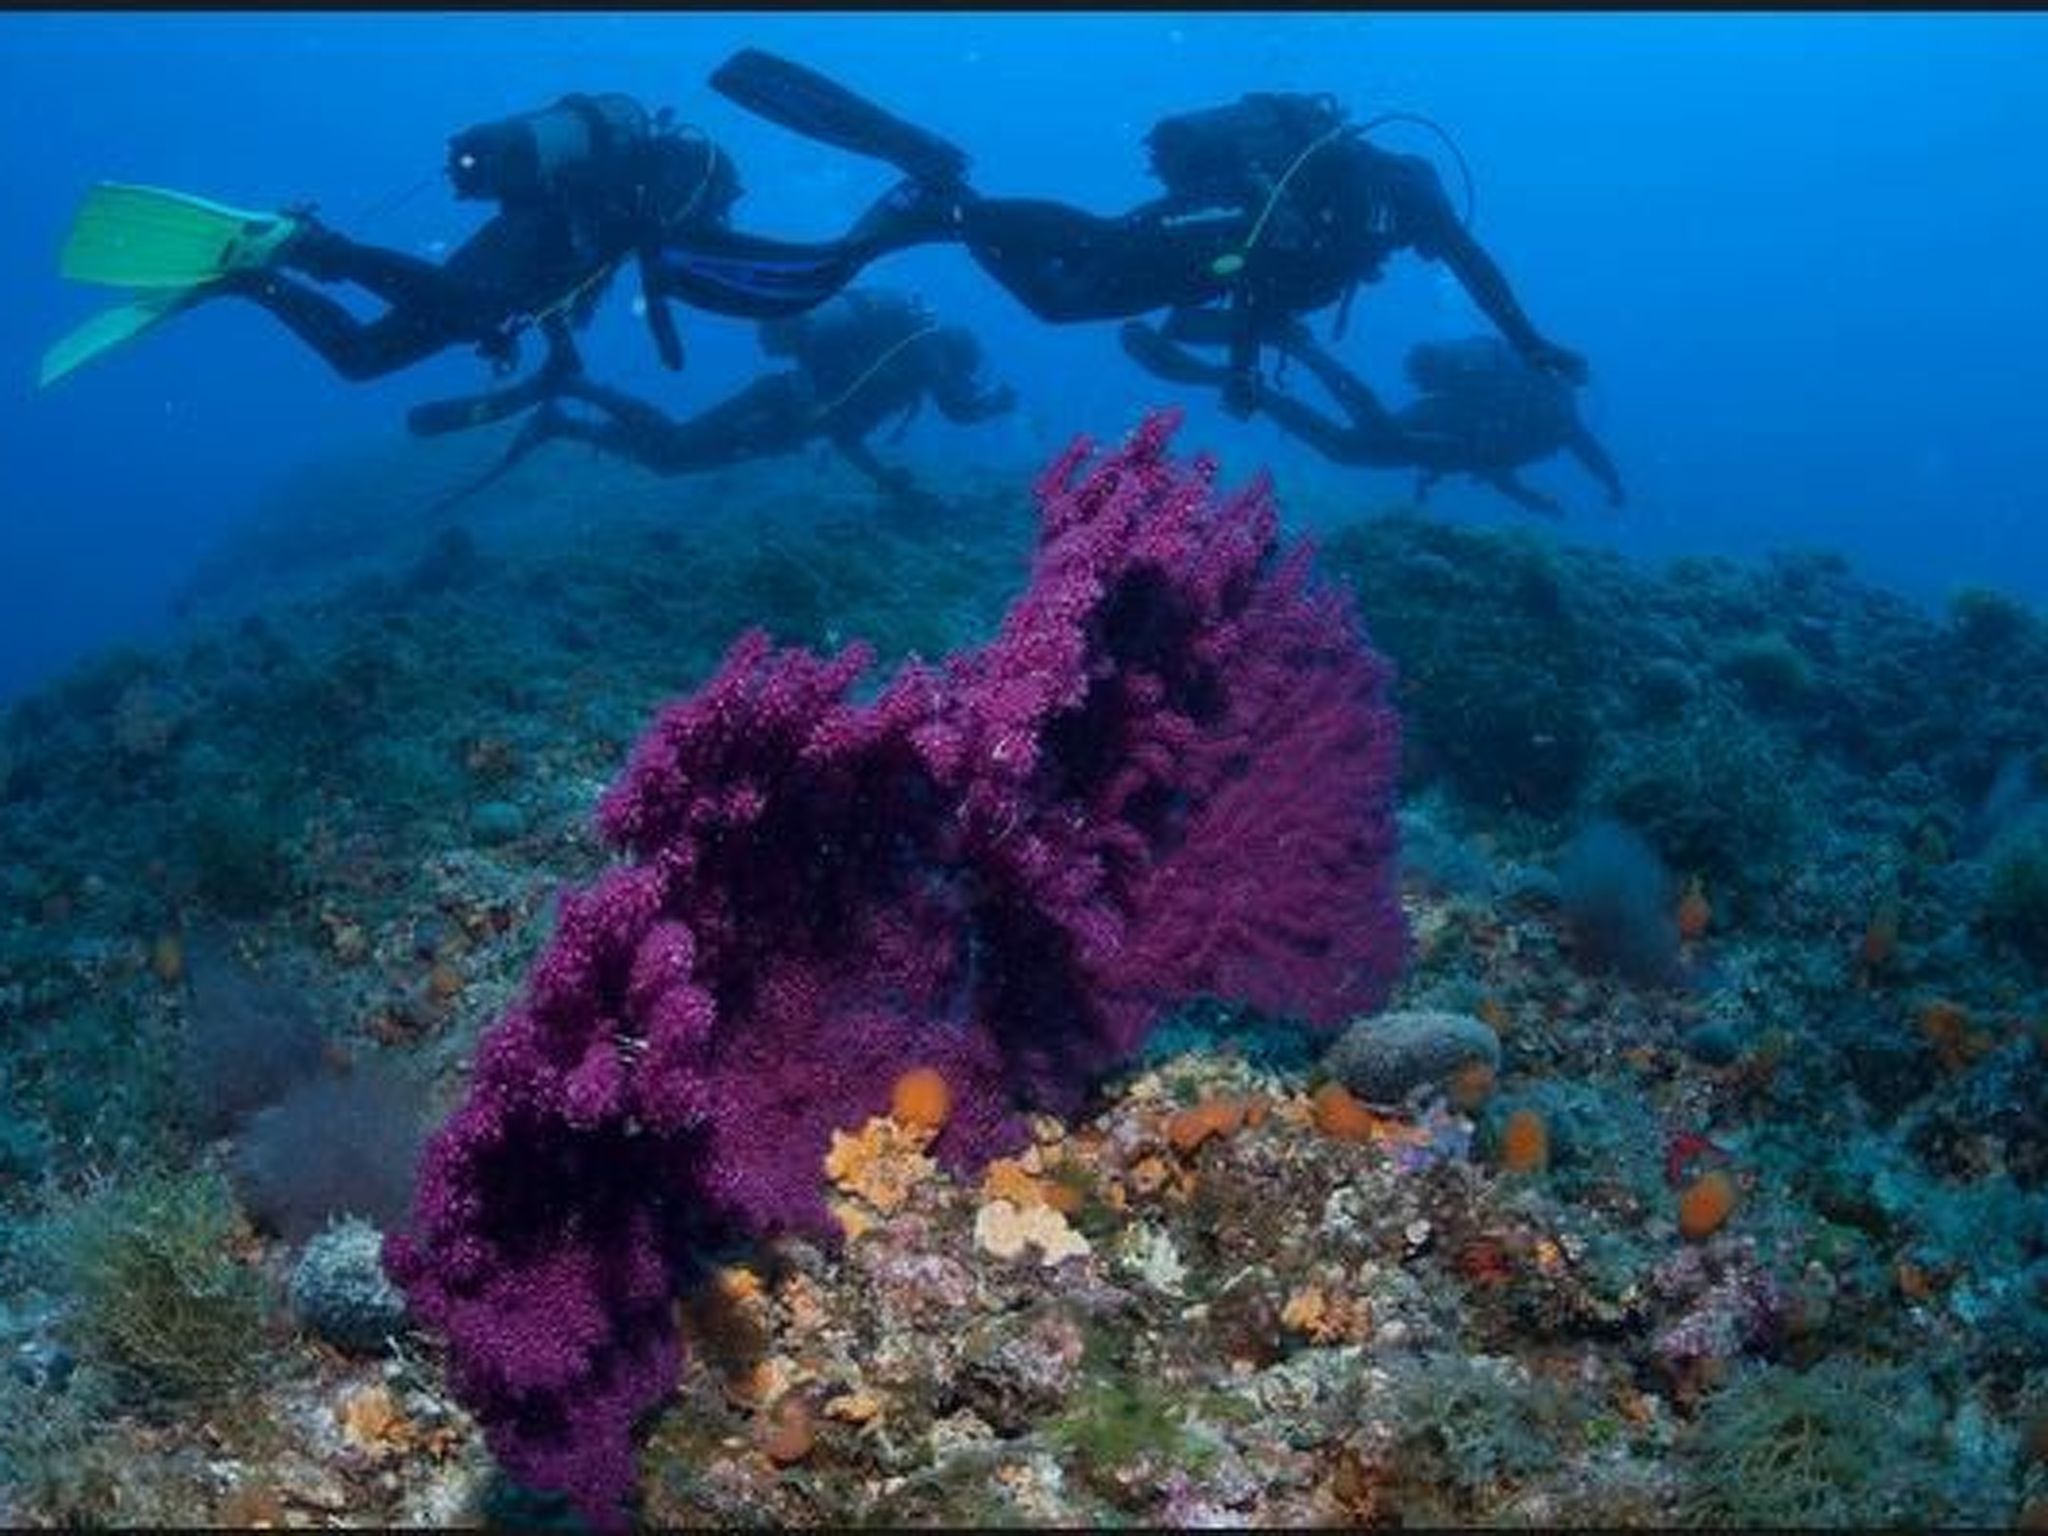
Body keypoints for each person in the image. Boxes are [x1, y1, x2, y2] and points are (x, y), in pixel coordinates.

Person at [707, 50, 1589, 420]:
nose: (1422, 254)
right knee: (1091, 247)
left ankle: (948, 202)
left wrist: (1243, 368)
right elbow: (1475, 267)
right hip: (1217, 231)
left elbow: (1263, 288)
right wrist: (1532, 340)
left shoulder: (1364, 221)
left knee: (1057, 302)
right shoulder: (1401, 197)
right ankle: (945, 198)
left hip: (1222, 254)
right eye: (1426, 242)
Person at [47, 90, 943, 390]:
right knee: (468, 307)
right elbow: (657, 269)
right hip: (532, 244)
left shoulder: (649, 192)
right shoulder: (678, 190)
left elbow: (600, 277)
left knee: (363, 360)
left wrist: (544, 337)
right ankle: (308, 245)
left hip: (527, 247)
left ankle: (248, 275)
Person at [431, 287, 1016, 509]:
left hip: (785, 414)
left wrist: (887, 483)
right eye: (963, 372)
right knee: (676, 448)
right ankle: (578, 391)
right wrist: (997, 403)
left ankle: (563, 421)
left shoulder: (899, 365)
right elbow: (961, 409)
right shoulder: (929, 352)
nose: (957, 380)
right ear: (959, 357)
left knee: (670, 457)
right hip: (780, 407)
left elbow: (843, 432)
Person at [1124, 318, 1623, 518]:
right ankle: (1299, 352)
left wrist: (1531, 498)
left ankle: (1253, 385)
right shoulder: (1561, 416)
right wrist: (1612, 484)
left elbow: (1497, 464)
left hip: (1457, 433)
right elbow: (1583, 452)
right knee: (1369, 437)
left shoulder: (1546, 409)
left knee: (1351, 445)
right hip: (1456, 431)